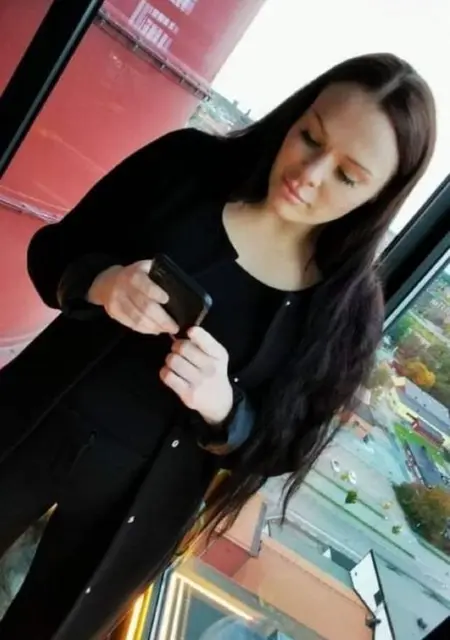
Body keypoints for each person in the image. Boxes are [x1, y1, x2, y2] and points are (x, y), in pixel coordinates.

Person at [0, 53, 436, 639]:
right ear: (296, 114)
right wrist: (103, 283)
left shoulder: (345, 312)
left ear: (379, 197)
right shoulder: (187, 165)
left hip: (129, 516)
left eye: (347, 176)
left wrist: (224, 407)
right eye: (310, 137)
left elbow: (285, 446)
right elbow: (54, 250)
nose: (309, 174)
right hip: (26, 426)